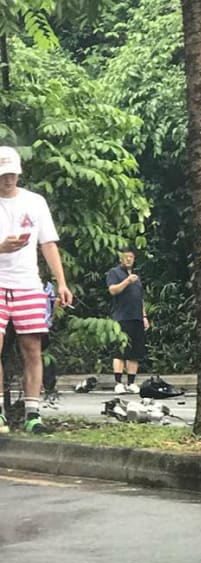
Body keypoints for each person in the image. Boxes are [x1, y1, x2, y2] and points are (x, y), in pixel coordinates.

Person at [0, 146, 73, 434]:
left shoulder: (35, 202)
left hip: (29, 284)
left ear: (19, 172)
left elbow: (48, 243)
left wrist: (62, 282)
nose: (8, 180)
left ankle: (33, 414)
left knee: (32, 349)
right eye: (3, 174)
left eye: (12, 174)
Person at [106, 246, 149, 394]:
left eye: (131, 256)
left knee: (135, 352)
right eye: (126, 256)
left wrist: (144, 316)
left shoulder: (136, 277)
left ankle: (131, 382)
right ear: (120, 258)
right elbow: (112, 290)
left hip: (136, 317)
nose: (129, 259)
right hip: (121, 317)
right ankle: (118, 382)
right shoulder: (114, 273)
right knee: (120, 350)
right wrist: (127, 281)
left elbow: (140, 298)